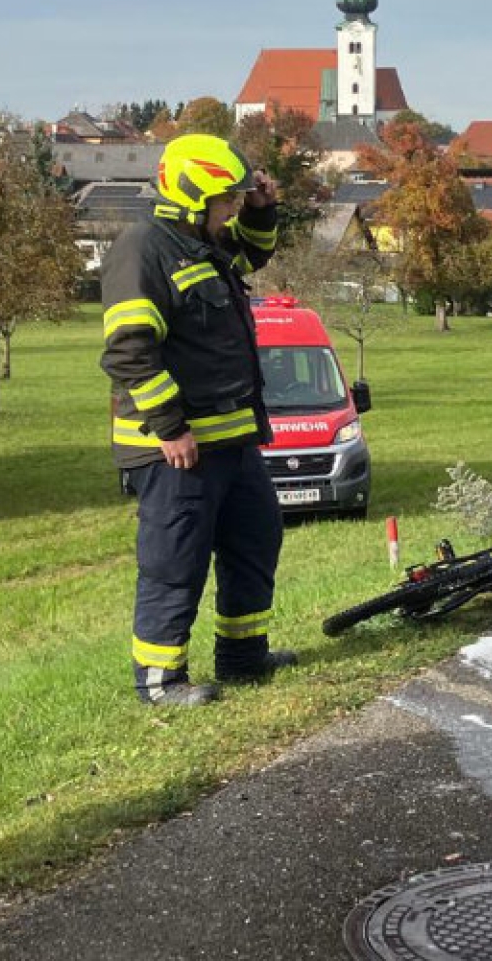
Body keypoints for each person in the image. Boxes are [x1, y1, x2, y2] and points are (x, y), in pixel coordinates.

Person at [100, 133, 298, 706]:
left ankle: (242, 657)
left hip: (232, 442)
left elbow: (252, 253)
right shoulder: (144, 250)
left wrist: (263, 209)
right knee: (175, 562)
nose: (233, 209)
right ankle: (161, 682)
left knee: (255, 539)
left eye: (237, 200)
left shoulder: (201, 243)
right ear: (192, 198)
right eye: (227, 200)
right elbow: (128, 350)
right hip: (178, 450)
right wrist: (171, 427)